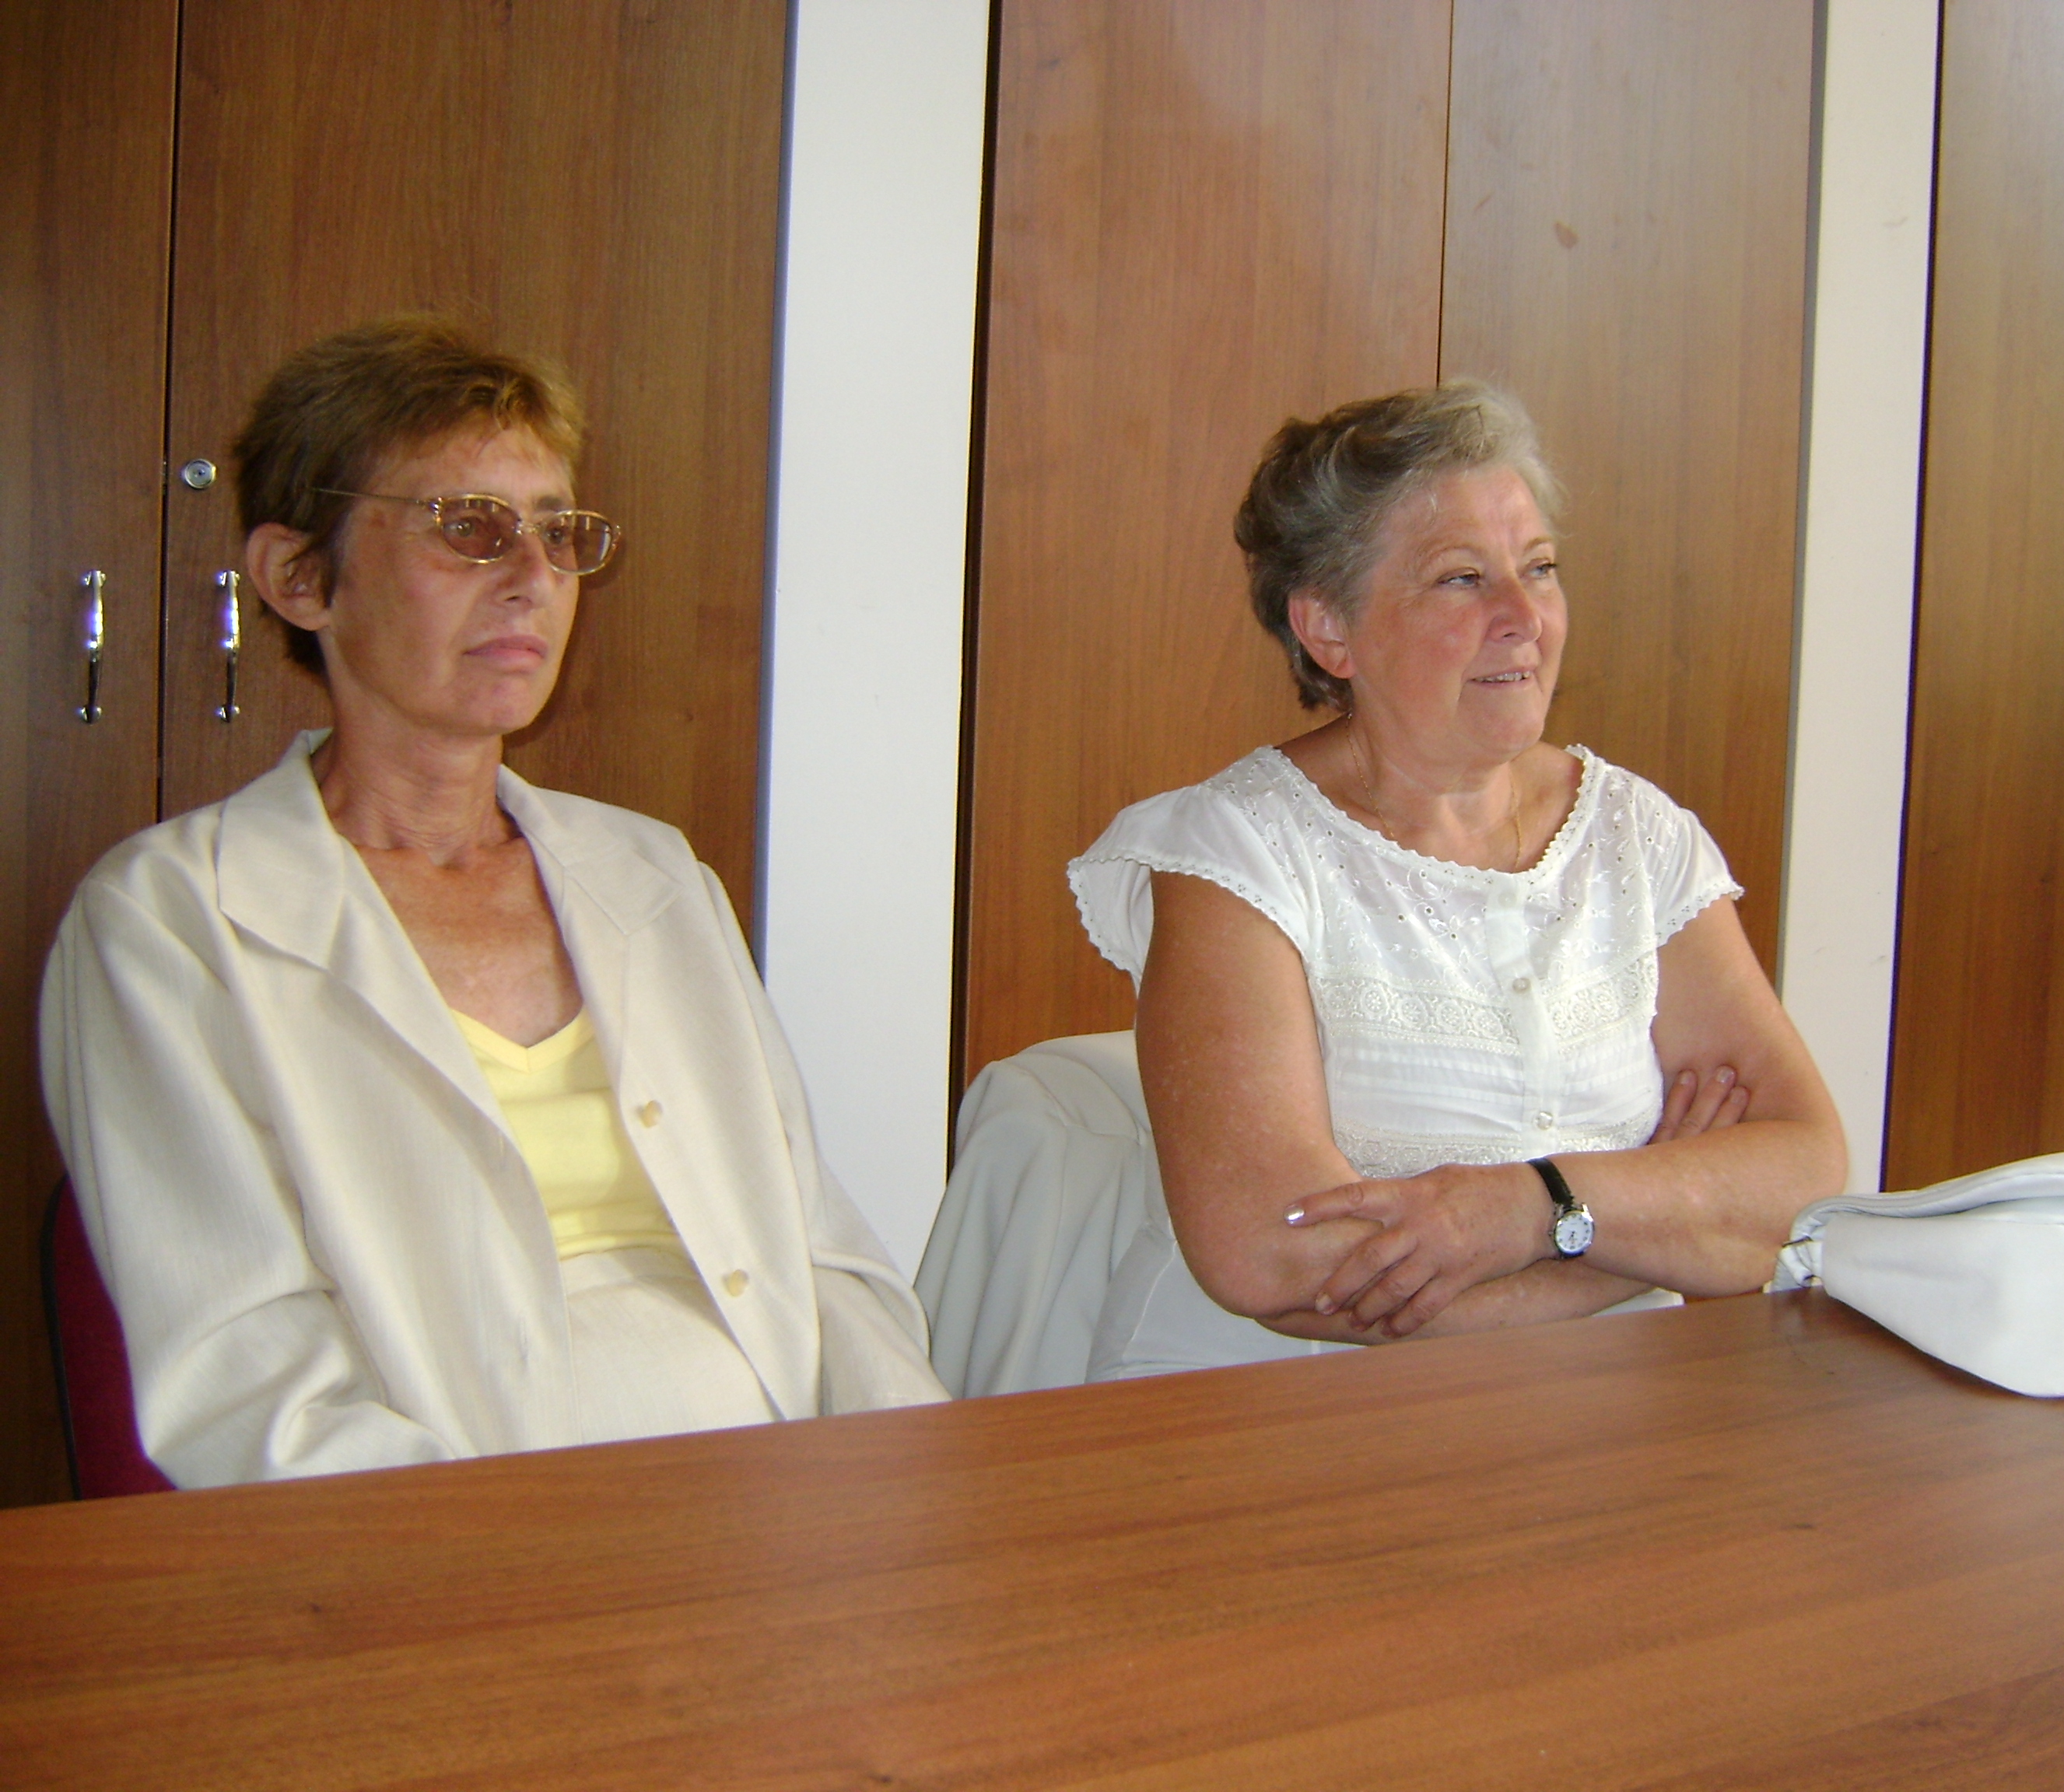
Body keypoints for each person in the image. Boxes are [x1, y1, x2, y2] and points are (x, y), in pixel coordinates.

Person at [40, 317, 946, 1487]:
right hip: (441, 1535)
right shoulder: (169, 922)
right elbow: (249, 1379)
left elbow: (818, 1257)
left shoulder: (654, 875)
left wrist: (907, 1483)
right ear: (299, 577)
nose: (533, 580)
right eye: (468, 528)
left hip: (768, 1495)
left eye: (558, 533)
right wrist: (506, 1562)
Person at [1069, 382, 1846, 1377]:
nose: (1525, 618)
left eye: (1540, 568)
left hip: (1618, 1404)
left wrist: (1531, 1208)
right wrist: (1648, 1225)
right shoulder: (1236, 855)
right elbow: (1278, 1260)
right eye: (1462, 579)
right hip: (1288, 1416)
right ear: (1330, 630)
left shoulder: (1635, 834)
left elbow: (1803, 1173)